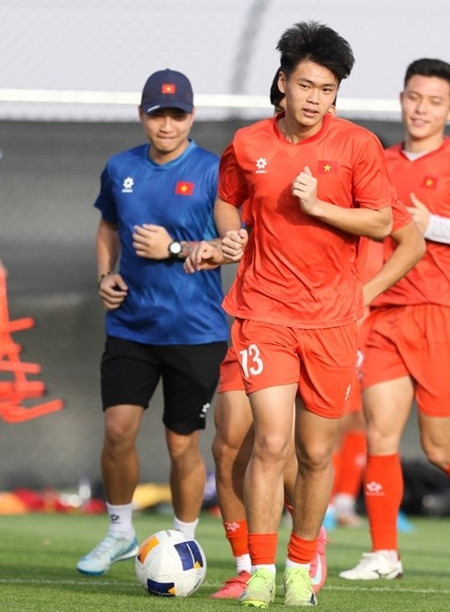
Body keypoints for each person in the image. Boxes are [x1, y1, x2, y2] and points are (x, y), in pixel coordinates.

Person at [212, 21, 401, 607]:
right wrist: (231, 234)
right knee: (271, 442)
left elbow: (382, 222)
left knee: (317, 453)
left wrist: (319, 208)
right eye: (307, 85)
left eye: (328, 89)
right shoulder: (248, 143)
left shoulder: (358, 146)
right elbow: (227, 199)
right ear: (282, 83)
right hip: (263, 312)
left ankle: (301, 565)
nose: (316, 98)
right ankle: (260, 572)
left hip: (332, 320)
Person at [340, 58, 450, 582]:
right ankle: (384, 554)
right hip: (387, 313)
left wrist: (431, 224)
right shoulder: (379, 162)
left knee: (440, 447)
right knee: (380, 433)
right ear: (401, 99)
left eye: (434, 101)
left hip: (446, 314)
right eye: (414, 97)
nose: (421, 108)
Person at [76, 69, 228, 576]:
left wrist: (175, 248)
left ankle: (183, 545)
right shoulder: (120, 167)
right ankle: (120, 531)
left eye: (177, 114)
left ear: (192, 116)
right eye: (158, 114)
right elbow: (107, 227)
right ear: (142, 114)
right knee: (117, 431)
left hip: (196, 330)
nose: (167, 125)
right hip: (131, 326)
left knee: (181, 444)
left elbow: (235, 245)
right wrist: (105, 276)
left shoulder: (213, 171)